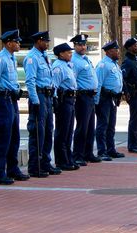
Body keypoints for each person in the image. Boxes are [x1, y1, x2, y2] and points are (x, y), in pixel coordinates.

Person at [0, 29, 30, 184]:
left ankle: (12, 169)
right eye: (16, 42)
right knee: (2, 138)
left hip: (11, 100)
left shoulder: (11, 58)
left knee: (14, 136)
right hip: (2, 101)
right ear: (9, 43)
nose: (19, 44)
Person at [24, 31, 61, 177]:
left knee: (48, 131)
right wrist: (35, 100)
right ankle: (35, 166)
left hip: (48, 95)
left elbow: (50, 79)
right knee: (38, 132)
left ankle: (45, 162)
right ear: (38, 41)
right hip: (39, 95)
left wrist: (54, 96)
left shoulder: (45, 57)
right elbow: (30, 81)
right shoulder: (32, 58)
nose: (47, 43)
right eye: (45, 41)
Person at [71, 34, 101, 165]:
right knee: (82, 127)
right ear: (75, 46)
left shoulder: (85, 59)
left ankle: (88, 153)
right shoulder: (74, 60)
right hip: (82, 96)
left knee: (90, 127)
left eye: (84, 44)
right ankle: (78, 154)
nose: (83, 47)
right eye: (80, 45)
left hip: (90, 96)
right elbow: (73, 80)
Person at [95, 40, 126, 160]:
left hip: (113, 98)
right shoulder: (103, 65)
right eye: (115, 50)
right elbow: (98, 84)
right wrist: (96, 101)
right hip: (104, 98)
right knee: (103, 125)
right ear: (108, 51)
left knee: (111, 126)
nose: (118, 52)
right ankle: (102, 151)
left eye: (117, 50)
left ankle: (111, 149)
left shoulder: (114, 64)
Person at [52, 43, 80, 171]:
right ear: (61, 54)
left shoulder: (67, 65)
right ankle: (61, 160)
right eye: (68, 52)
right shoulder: (58, 67)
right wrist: (56, 102)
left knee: (69, 132)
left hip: (71, 99)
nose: (71, 54)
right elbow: (55, 86)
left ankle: (68, 158)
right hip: (63, 100)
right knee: (62, 132)